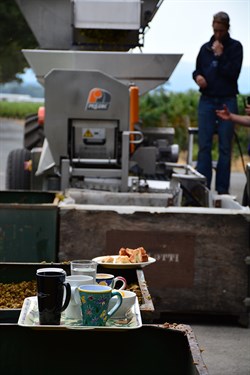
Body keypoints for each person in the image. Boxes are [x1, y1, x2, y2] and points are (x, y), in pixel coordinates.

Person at [192, 11, 243, 194]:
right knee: (204, 145)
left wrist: (221, 57)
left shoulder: (236, 48)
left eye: (221, 31)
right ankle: (202, 189)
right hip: (207, 100)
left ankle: (222, 190)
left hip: (226, 100)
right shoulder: (205, 48)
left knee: (224, 147)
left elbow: (233, 73)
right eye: (215, 30)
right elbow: (197, 69)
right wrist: (197, 77)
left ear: (227, 28)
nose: (217, 34)